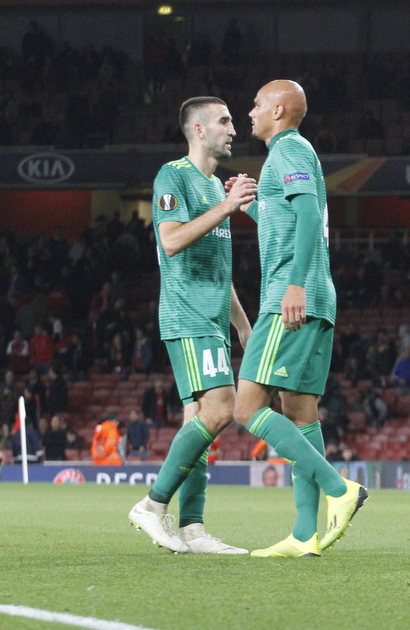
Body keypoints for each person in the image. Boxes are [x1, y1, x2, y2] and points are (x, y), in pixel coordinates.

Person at [229, 80, 367, 558]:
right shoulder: (292, 155)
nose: (250, 112)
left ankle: (339, 489)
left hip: (289, 297)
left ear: (279, 110)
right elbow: (288, 221)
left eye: (256, 104)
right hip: (317, 297)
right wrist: (251, 205)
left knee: (246, 408)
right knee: (301, 414)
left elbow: (308, 217)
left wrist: (294, 285)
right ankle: (305, 533)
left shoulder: (287, 150)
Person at [127, 96, 254, 555]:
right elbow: (171, 240)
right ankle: (151, 505)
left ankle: (194, 528)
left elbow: (221, 269)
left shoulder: (218, 186)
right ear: (198, 130)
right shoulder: (173, 175)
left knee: (199, 418)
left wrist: (243, 326)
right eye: (224, 121)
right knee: (221, 409)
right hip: (188, 314)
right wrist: (227, 207)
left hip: (215, 318)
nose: (233, 129)